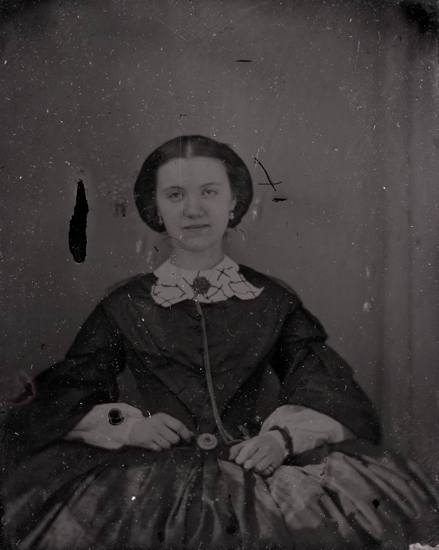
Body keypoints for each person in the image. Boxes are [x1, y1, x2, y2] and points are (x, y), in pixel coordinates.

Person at [1, 135, 437, 550]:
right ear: (156, 208)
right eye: (175, 195)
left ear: (233, 202)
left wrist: (280, 440)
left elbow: (325, 385)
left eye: (209, 192)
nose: (193, 209)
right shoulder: (126, 304)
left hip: (253, 467)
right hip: (152, 477)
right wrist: (131, 427)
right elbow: (62, 396)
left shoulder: (272, 300)